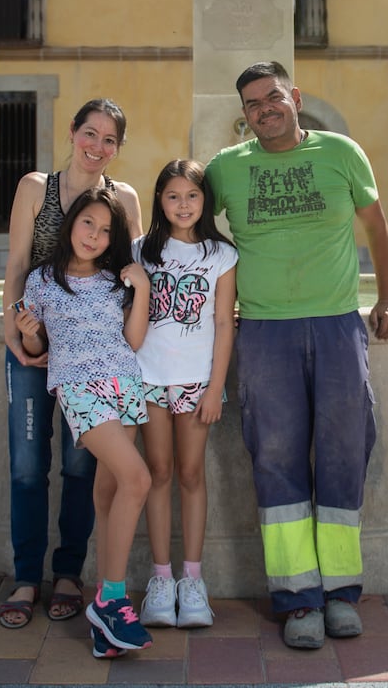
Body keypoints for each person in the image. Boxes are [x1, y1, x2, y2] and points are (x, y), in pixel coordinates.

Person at [204, 61, 388, 651]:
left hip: (338, 324)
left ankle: (342, 595)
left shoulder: (341, 153)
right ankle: (296, 600)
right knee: (275, 457)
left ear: (294, 96)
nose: (263, 110)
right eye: (252, 105)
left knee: (344, 450)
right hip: (264, 332)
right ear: (245, 116)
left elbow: (377, 227)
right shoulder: (224, 168)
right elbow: (183, 218)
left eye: (272, 98)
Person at [0, 100, 143, 630]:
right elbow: (17, 263)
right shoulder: (36, 187)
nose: (97, 146)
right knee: (26, 464)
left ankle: (67, 573)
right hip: (35, 342)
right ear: (72, 133)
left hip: (96, 354)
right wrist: (14, 329)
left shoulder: (123, 198)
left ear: (118, 148)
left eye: (109, 139)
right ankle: (25, 577)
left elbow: (130, 275)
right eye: (90, 133)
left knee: (84, 466)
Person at [15, 185, 154, 657]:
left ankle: (104, 625)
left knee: (110, 491)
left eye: (105, 229)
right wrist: (30, 338)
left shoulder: (117, 280)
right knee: (138, 477)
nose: (94, 235)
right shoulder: (41, 281)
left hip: (126, 385)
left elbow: (133, 342)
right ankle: (113, 600)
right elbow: (36, 351)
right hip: (79, 389)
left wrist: (145, 289)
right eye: (87, 223)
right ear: (71, 223)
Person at [133, 160, 238, 630]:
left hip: (197, 382)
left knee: (191, 473)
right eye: (173, 196)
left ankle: (192, 580)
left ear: (205, 201)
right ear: (159, 200)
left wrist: (216, 387)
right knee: (158, 472)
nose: (183, 205)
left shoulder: (221, 254)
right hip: (150, 377)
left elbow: (222, 322)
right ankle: (160, 578)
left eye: (192, 196)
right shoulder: (140, 252)